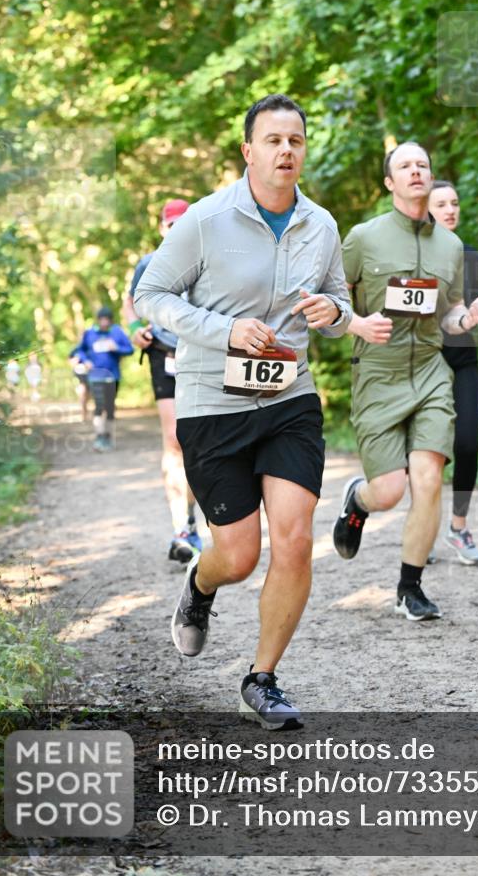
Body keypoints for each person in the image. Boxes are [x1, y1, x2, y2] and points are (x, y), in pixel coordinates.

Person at [134, 94, 351, 729]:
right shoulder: (203, 221)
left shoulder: (322, 225)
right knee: (239, 556)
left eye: (297, 140)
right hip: (213, 406)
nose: (287, 150)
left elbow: (338, 301)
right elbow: (151, 294)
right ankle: (201, 587)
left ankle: (262, 679)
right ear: (248, 150)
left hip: (289, 399)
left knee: (293, 541)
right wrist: (223, 331)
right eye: (274, 140)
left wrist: (333, 313)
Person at [333, 142, 478, 623]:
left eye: (422, 164)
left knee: (428, 480)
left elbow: (451, 311)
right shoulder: (363, 238)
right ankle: (358, 500)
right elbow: (330, 301)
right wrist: (357, 324)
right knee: (390, 492)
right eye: (405, 166)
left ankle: (409, 587)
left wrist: (468, 318)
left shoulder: (452, 245)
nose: (416, 171)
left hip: (430, 371)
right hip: (378, 372)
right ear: (390, 183)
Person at [123, 199, 203, 565]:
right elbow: (131, 304)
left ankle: (207, 518)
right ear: (161, 228)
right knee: (174, 439)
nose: (176, 230)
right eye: (170, 225)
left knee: (202, 441)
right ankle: (182, 528)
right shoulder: (147, 264)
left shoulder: (209, 259)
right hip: (163, 355)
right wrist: (136, 329)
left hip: (204, 355)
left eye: (183, 224)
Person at [427, 181, 478, 565]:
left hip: (461, 356)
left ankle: (458, 527)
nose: (450, 210)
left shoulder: (470, 254)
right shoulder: (412, 254)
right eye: (441, 204)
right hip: (423, 359)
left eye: (454, 203)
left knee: (466, 442)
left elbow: (461, 312)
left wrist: (467, 318)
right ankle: (422, 530)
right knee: (427, 451)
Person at [70, 306, 134, 452]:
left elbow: (130, 349)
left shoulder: (117, 332)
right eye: (102, 320)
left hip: (113, 376)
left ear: (111, 320)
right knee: (99, 406)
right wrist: (85, 360)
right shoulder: (90, 333)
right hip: (95, 376)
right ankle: (99, 437)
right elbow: (79, 350)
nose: (105, 323)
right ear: (98, 320)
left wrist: (116, 348)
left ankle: (109, 437)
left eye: (107, 320)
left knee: (110, 407)